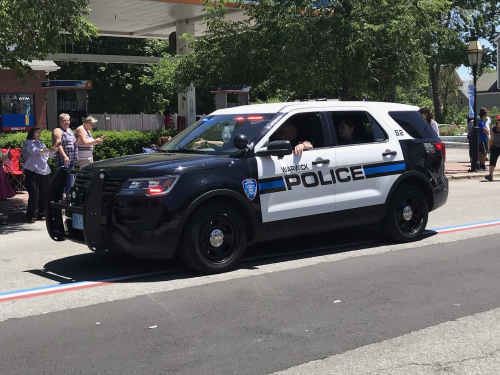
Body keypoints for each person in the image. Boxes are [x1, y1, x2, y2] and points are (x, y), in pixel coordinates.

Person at [22, 127, 61, 223]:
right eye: (36, 133)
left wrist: (54, 149)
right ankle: (31, 215)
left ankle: (41, 214)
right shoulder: (28, 143)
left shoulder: (41, 143)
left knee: (44, 194)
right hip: (32, 171)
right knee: (34, 194)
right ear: (31, 134)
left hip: (44, 171)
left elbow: (49, 155)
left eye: (39, 133)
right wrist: (49, 149)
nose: (38, 135)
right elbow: (35, 151)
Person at [52, 113, 78, 197]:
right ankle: (60, 200)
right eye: (64, 120)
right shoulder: (58, 130)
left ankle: (68, 200)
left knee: (70, 182)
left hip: (71, 160)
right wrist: (64, 156)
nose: (66, 122)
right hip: (63, 160)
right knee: (62, 181)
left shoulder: (70, 130)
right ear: (60, 121)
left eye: (68, 120)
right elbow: (58, 144)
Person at [485, 115, 500, 181]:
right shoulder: (493, 129)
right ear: (497, 121)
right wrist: (489, 147)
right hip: (494, 146)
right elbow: (491, 138)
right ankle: (490, 175)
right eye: (499, 120)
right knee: (492, 161)